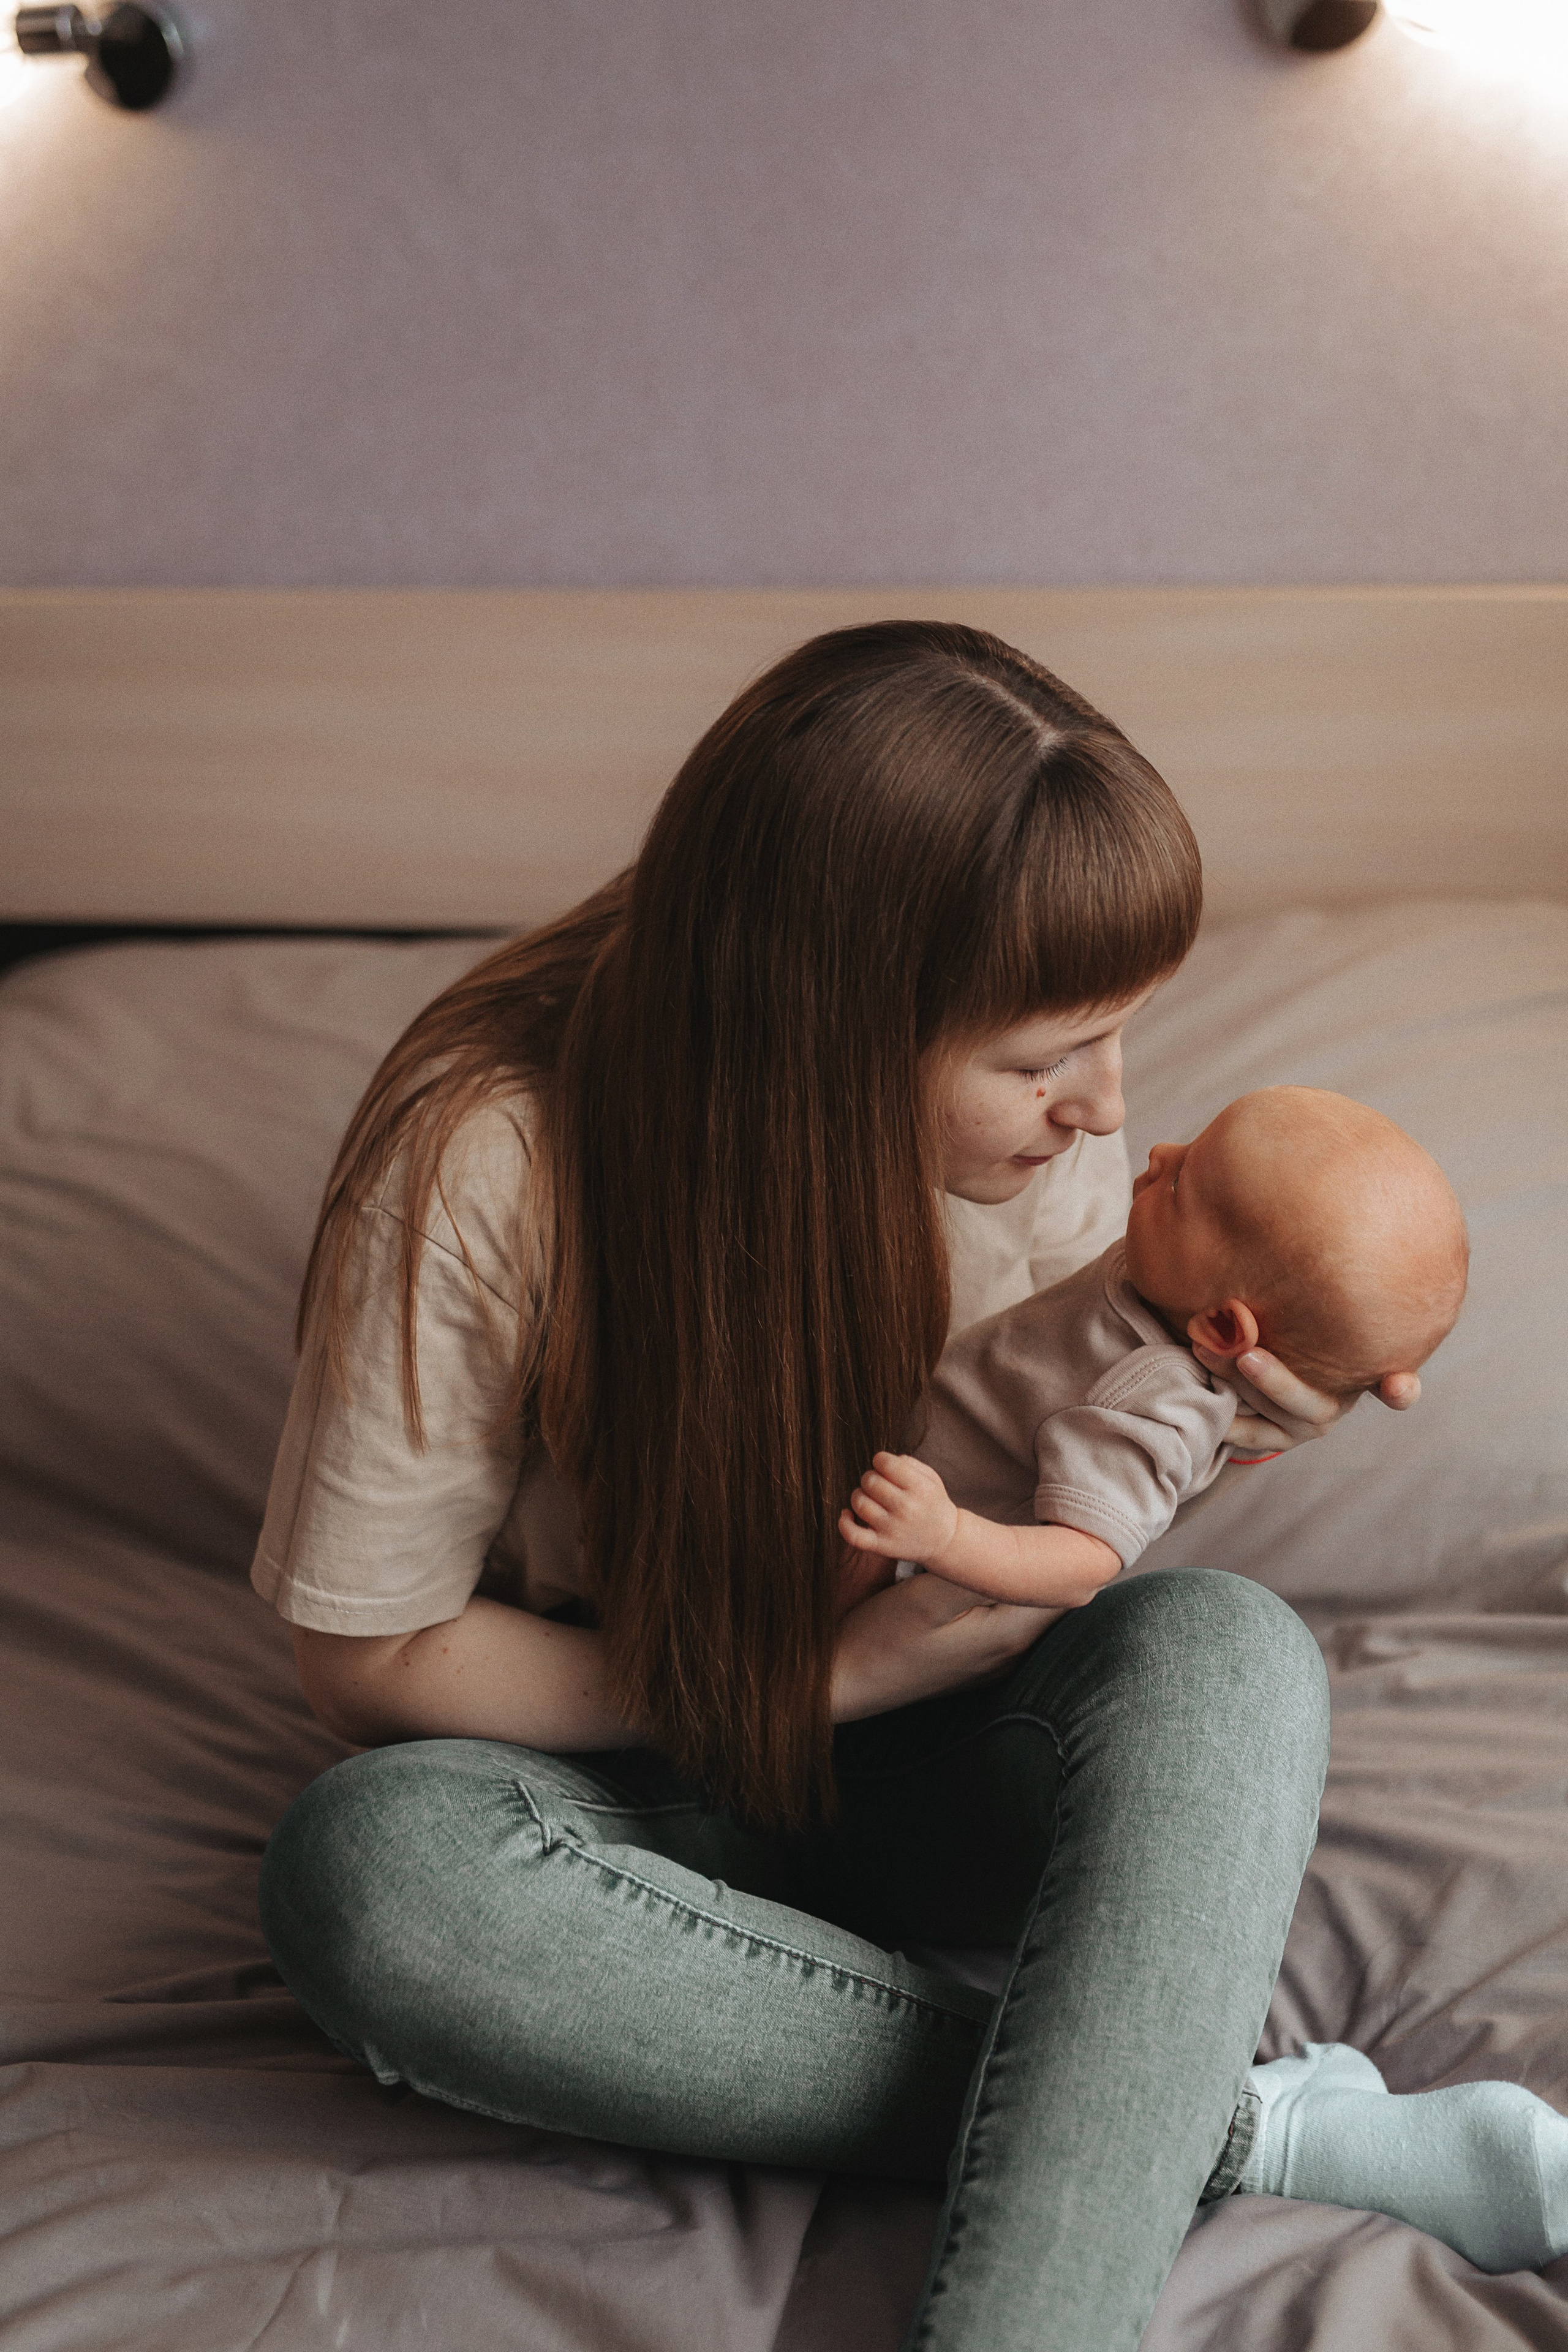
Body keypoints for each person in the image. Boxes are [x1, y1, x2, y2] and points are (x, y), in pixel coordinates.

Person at [254, 622, 1558, 2352]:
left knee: (1227, 1651)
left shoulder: (1056, 1150)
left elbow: (1073, 1505)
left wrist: (1226, 1436)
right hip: (644, 1775)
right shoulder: (481, 1161)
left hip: (950, 1762)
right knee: (373, 1877)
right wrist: (818, 1680)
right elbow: (368, 1656)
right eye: (1044, 1059)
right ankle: (1254, 2130)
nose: (1105, 1115)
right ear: (832, 1022)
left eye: (1120, 1040)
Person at [839, 1087, 1471, 1611]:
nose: (1157, 1154)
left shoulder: (1154, 1402)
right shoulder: (1164, 1285)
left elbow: (1082, 1565)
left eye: (1178, 1188)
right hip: (897, 1464)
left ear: (1222, 1329)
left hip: (919, 1562)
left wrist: (943, 1536)